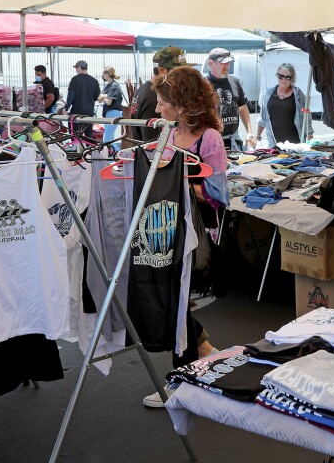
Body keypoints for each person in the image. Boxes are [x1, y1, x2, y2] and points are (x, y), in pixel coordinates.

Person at [143, 66, 229, 409]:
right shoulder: (168, 134)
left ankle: (182, 381)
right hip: (166, 229)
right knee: (169, 299)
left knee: (175, 302)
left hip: (197, 232)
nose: (157, 108)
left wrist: (176, 185)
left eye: (162, 102)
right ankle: (205, 352)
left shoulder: (209, 138)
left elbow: (217, 194)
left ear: (182, 104)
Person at [130, 46, 195, 142]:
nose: (182, 75)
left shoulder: (145, 89)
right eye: (177, 71)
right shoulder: (155, 97)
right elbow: (152, 143)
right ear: (162, 71)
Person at [205, 48, 255, 150]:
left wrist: (249, 132)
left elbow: (242, 108)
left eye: (229, 62)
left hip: (233, 141)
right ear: (210, 63)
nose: (228, 66)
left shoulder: (234, 81)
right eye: (223, 63)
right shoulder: (203, 85)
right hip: (211, 143)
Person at [256, 63, 313, 147]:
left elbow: (306, 115)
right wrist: (258, 136)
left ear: (292, 79)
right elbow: (263, 117)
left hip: (295, 142)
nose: (284, 80)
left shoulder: (298, 94)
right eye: (281, 76)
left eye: (288, 77)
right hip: (274, 142)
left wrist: (309, 134)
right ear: (277, 76)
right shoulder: (268, 93)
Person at [64, 60, 101, 138]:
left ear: (79, 67)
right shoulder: (94, 81)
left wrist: (66, 108)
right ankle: (89, 145)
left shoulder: (75, 79)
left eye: (76, 68)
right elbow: (96, 97)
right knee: (88, 135)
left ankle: (76, 144)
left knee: (74, 134)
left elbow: (71, 96)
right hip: (89, 112)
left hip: (76, 112)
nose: (76, 70)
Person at [97, 67, 124, 150]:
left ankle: (120, 154)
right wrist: (105, 96)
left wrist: (104, 96)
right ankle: (114, 156)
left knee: (106, 140)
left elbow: (108, 102)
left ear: (107, 74)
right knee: (110, 139)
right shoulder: (107, 86)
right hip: (108, 114)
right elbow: (99, 99)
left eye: (103, 74)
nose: (102, 76)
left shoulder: (114, 86)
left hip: (113, 113)